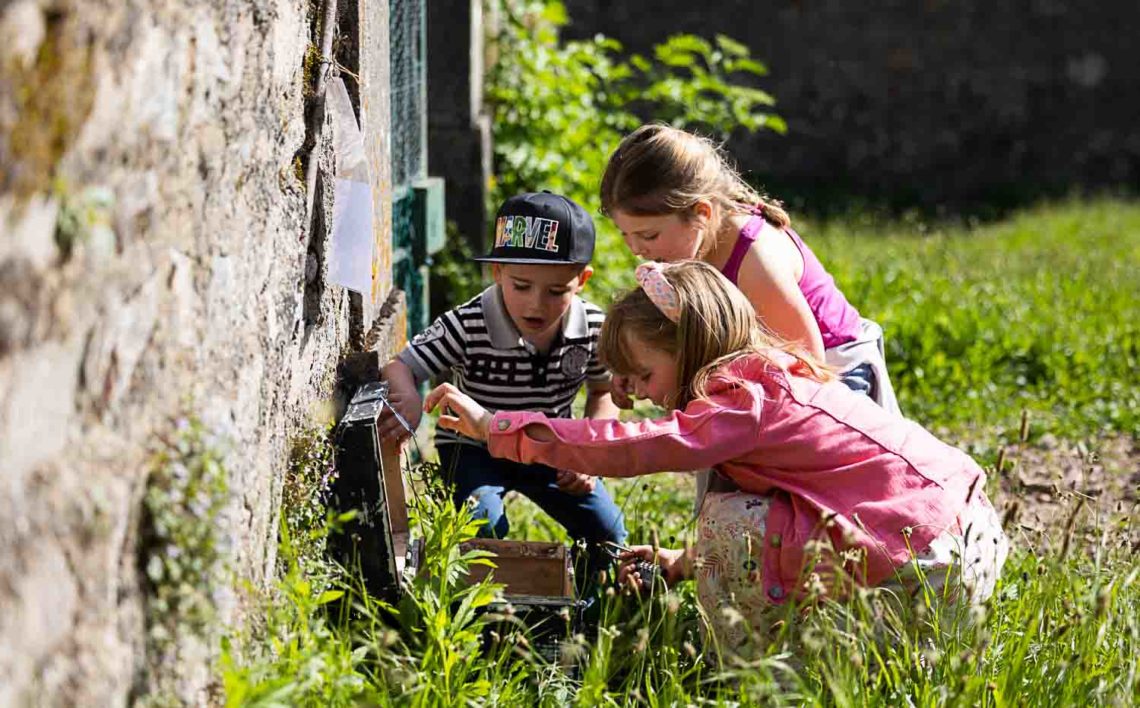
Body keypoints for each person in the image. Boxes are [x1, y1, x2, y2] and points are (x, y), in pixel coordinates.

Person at [423, 260, 1008, 653]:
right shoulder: (768, 379)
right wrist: (682, 562)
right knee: (740, 517)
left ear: (692, 346)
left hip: (929, 560)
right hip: (959, 533)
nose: (644, 394)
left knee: (728, 521)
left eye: (646, 374)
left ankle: (759, 672)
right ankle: (868, 649)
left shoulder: (741, 403)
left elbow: (636, 445)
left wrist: (499, 427)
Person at [379, 191, 628, 586]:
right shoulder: (467, 324)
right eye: (522, 285)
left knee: (609, 533)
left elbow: (603, 391)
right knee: (482, 526)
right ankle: (491, 607)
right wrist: (408, 397)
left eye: (556, 291)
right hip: (475, 450)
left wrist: (587, 456)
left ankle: (586, 608)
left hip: (551, 448)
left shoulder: (594, 328)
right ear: (497, 272)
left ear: (581, 280)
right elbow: (400, 366)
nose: (536, 305)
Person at [599, 123, 899, 415]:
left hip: (835, 374)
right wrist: (636, 363)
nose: (636, 249)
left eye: (648, 235)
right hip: (764, 373)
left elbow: (806, 368)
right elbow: (679, 334)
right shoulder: (684, 251)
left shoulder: (755, 261)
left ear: (701, 213)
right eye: (624, 233)